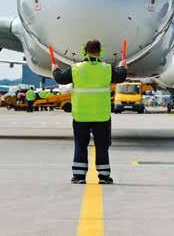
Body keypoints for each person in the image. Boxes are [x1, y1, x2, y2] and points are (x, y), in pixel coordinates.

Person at [52, 39, 127, 185]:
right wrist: (122, 67)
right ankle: (104, 176)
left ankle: (79, 176)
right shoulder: (106, 69)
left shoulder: (76, 69)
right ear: (101, 52)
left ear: (84, 51)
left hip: (81, 115)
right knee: (102, 146)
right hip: (101, 115)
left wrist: (55, 69)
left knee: (80, 145)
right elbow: (120, 77)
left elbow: (60, 79)